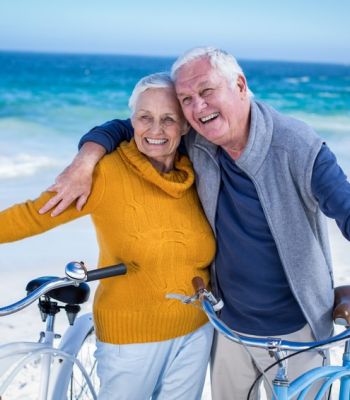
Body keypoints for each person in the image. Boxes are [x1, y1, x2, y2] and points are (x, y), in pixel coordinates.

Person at [39, 47, 350, 399]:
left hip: (300, 331)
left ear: (240, 84)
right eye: (186, 98)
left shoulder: (299, 147)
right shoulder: (198, 138)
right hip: (229, 329)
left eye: (206, 91)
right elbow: (126, 127)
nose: (198, 107)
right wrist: (85, 161)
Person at [0, 72, 216, 400]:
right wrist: (86, 158)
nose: (155, 130)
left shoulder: (197, 171)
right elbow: (33, 216)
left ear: (185, 125)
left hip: (196, 333)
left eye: (168, 119)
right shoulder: (105, 173)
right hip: (130, 342)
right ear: (132, 122)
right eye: (145, 117)